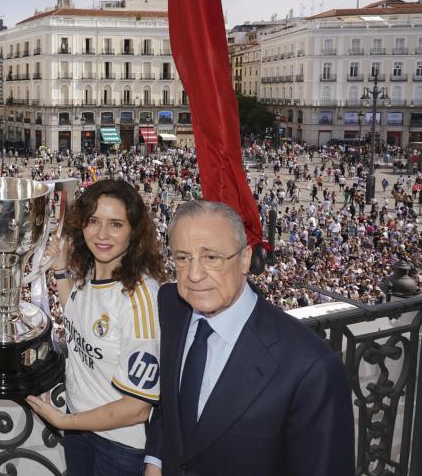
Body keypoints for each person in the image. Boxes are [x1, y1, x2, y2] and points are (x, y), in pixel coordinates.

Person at [143, 200, 354, 476]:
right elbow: (168, 405)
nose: (194, 274)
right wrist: (154, 462)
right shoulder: (171, 305)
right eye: (183, 258)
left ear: (245, 259)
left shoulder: (312, 368)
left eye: (211, 257)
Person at [26, 179, 167, 476]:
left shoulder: (139, 299)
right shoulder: (90, 270)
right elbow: (79, 317)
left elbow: (137, 408)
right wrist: (62, 271)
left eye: (116, 224)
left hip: (119, 445)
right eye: (94, 221)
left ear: (134, 232)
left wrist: (64, 422)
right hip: (80, 428)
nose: (102, 234)